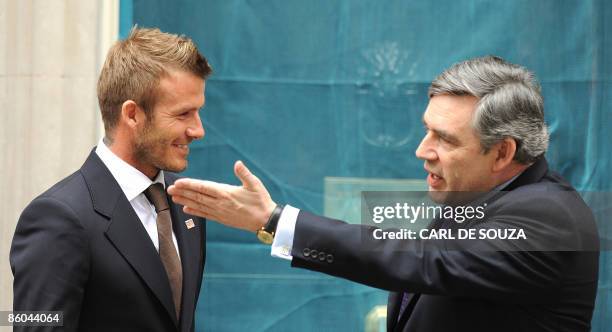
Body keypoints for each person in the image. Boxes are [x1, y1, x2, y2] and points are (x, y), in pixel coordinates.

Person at [168, 56, 600, 332]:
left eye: (445, 140)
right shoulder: (474, 199)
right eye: (427, 129)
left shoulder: (550, 216)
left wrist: (275, 220)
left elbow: (420, 261)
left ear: (503, 152)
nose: (422, 151)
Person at [10, 27, 211, 332]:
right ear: (132, 115)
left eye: (198, 112)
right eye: (183, 114)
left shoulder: (186, 205)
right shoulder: (58, 218)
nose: (198, 130)